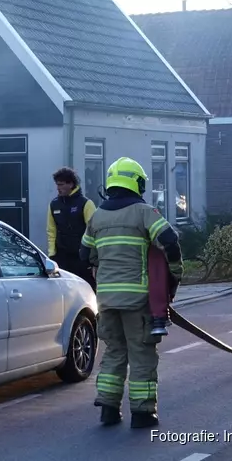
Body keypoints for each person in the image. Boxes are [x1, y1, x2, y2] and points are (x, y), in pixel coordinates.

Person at [79, 157, 183, 428]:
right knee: (141, 354)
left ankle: (108, 410)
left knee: (113, 352)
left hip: (107, 301)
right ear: (137, 183)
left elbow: (84, 254)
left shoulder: (97, 216)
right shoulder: (145, 212)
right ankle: (143, 412)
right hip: (138, 301)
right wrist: (174, 275)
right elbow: (170, 243)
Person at [47, 167, 97, 288]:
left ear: (71, 184)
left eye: (61, 185)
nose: (58, 188)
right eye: (57, 185)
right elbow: (51, 230)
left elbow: (95, 231)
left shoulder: (86, 204)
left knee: (86, 288)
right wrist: (52, 254)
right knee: (65, 289)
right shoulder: (54, 204)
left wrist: (93, 257)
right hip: (62, 257)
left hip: (82, 258)